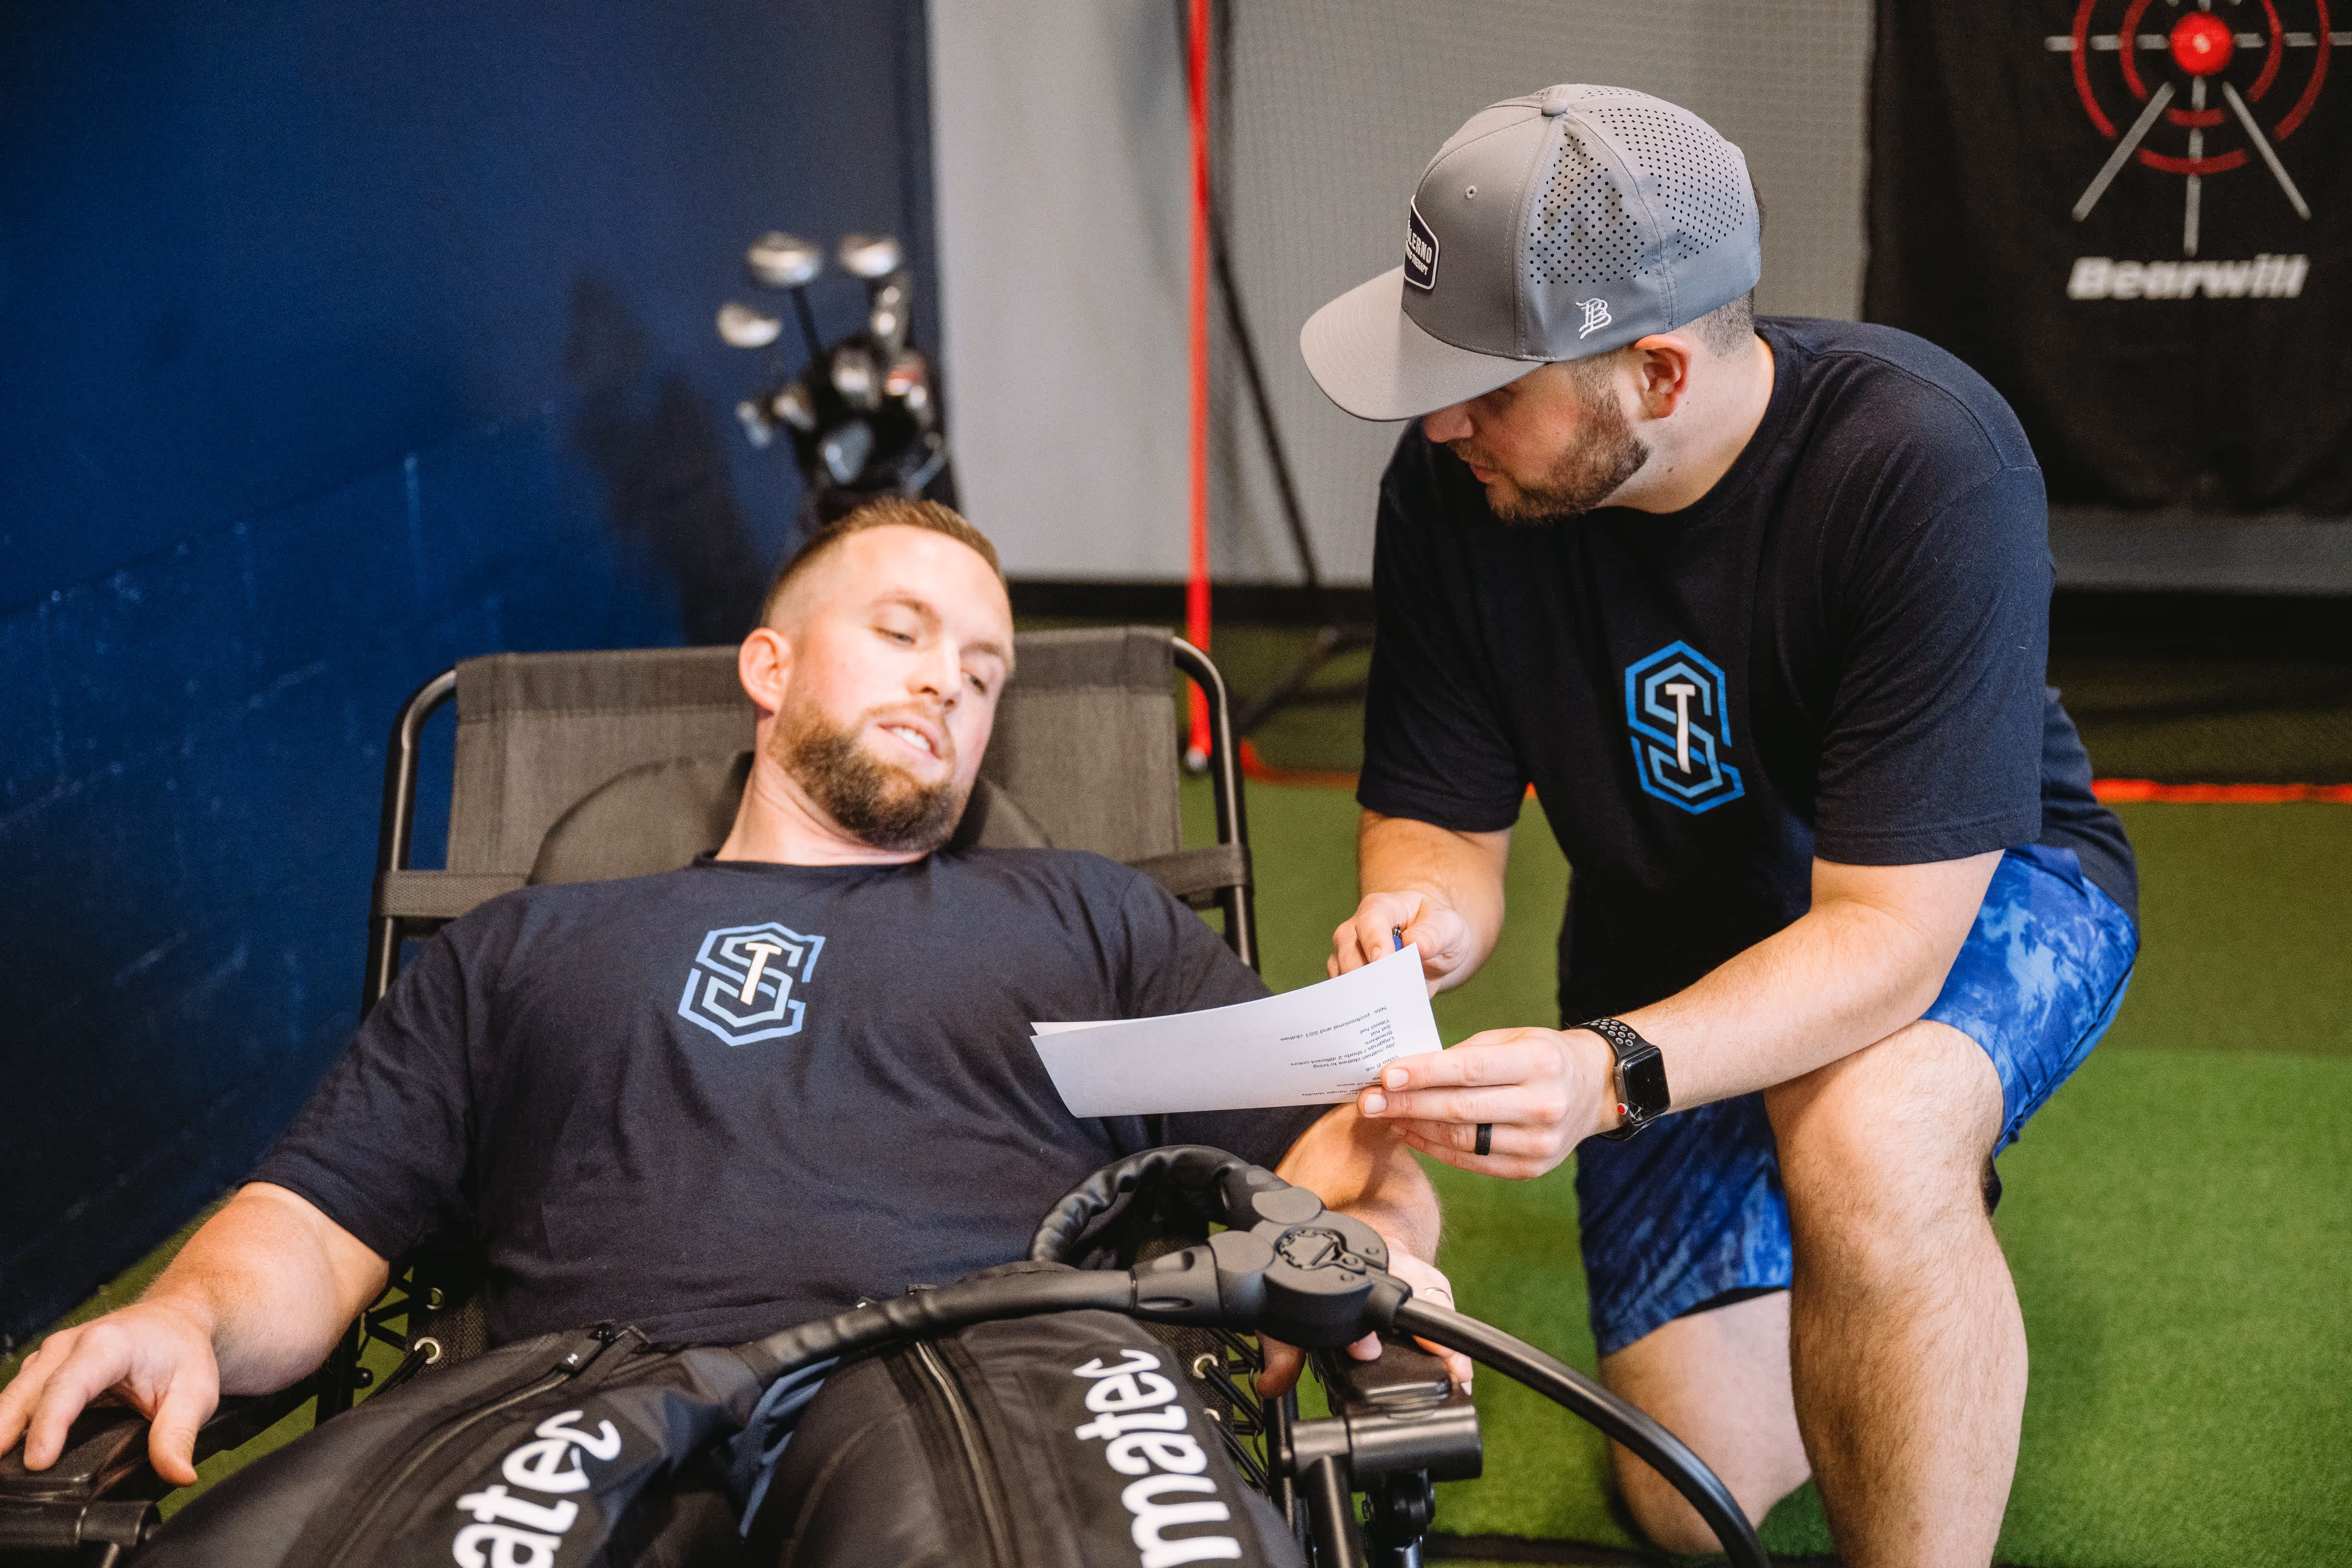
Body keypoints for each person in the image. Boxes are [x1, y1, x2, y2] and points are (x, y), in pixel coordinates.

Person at [0, 498, 1457, 1498]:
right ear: (768, 666)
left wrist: (1380, 1234)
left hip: (994, 1408)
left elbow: (1327, 1139)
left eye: (984, 668)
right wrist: (186, 1316)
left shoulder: (1086, 914)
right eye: (901, 632)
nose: (949, 681)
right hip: (570, 1419)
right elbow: (315, 1234)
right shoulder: (525, 946)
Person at [1298, 86, 2138, 1565]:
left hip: (1979, 890)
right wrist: (1419, 922)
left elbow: (1887, 938)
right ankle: (1887, 1248)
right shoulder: (1455, 483)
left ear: (1660, 371)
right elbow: (1438, 826)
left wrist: (1606, 1073)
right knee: (1695, 1497)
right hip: (1669, 943)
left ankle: (1903, 1209)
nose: (1445, 420)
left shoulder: (1922, 458)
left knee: (1870, 1134)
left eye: (1491, 383)